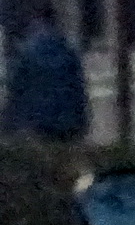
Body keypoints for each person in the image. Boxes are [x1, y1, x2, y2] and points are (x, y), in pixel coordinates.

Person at [3, 12, 90, 143]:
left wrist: (11, 122)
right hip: (69, 119)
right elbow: (78, 86)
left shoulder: (26, 53)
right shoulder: (67, 50)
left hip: (37, 121)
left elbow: (16, 88)